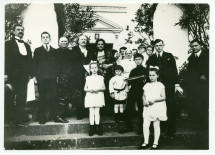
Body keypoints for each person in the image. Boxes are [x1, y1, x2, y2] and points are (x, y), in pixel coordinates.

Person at [147, 39, 183, 137]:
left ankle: (170, 128)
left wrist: (176, 84)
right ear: (154, 47)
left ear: (163, 45)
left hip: (168, 85)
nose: (158, 47)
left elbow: (174, 70)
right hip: (157, 86)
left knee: (169, 106)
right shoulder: (152, 58)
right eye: (156, 46)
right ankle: (160, 127)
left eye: (160, 45)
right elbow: (149, 72)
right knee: (158, 106)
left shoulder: (169, 56)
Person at [33, 32, 68, 124]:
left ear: (50, 39)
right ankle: (42, 117)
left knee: (54, 97)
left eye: (47, 37)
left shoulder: (54, 51)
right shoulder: (37, 50)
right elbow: (34, 64)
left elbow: (57, 64)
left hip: (52, 78)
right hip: (41, 78)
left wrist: (56, 76)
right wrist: (34, 76)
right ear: (41, 39)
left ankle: (56, 117)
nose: (45, 39)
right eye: (43, 37)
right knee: (43, 98)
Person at [5, 25, 33, 125]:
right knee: (11, 97)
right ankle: (11, 119)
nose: (20, 31)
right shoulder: (8, 44)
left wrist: (30, 74)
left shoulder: (27, 45)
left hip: (24, 77)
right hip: (12, 76)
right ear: (14, 32)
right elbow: (6, 60)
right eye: (18, 30)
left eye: (22, 30)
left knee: (22, 98)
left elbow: (30, 61)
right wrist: (5, 73)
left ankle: (20, 118)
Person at [140, 67, 167, 150]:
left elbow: (163, 97)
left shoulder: (160, 85)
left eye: (153, 75)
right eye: (150, 75)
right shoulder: (146, 85)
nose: (151, 77)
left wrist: (154, 100)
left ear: (157, 75)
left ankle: (155, 142)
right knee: (145, 125)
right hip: (148, 107)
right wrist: (144, 100)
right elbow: (144, 95)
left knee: (156, 125)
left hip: (157, 106)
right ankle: (146, 141)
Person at [186, 39, 209, 129]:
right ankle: (197, 124)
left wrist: (206, 75)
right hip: (194, 85)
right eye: (192, 46)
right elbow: (189, 71)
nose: (194, 48)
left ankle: (205, 124)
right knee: (195, 104)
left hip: (204, 84)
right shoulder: (191, 58)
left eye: (196, 46)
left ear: (200, 46)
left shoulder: (208, 55)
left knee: (203, 104)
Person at [71, 35, 94, 120]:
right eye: (82, 39)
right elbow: (72, 62)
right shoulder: (74, 50)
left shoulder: (90, 50)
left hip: (88, 75)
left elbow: (93, 61)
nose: (83, 41)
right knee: (78, 93)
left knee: (87, 93)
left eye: (85, 39)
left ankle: (86, 112)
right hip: (77, 75)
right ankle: (79, 113)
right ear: (78, 41)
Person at [123, 53, 147, 134]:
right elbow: (129, 81)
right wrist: (128, 86)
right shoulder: (133, 71)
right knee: (128, 109)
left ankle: (141, 129)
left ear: (142, 60)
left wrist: (144, 80)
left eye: (139, 59)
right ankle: (128, 127)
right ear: (134, 61)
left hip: (141, 92)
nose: (138, 61)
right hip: (133, 91)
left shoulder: (145, 70)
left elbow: (147, 82)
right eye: (136, 60)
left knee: (141, 110)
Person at [84, 61, 105, 136]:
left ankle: (97, 128)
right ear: (90, 69)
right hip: (90, 95)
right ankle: (92, 128)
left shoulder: (100, 77)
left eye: (95, 67)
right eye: (92, 68)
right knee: (91, 112)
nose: (94, 69)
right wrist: (91, 90)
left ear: (98, 68)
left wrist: (98, 89)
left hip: (98, 95)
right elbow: (85, 88)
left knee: (97, 112)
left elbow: (104, 88)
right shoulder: (88, 78)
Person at [56, 37, 73, 120]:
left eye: (65, 41)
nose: (64, 42)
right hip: (60, 77)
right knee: (61, 96)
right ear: (59, 43)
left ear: (68, 42)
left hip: (69, 77)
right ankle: (60, 115)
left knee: (67, 96)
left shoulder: (71, 52)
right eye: (62, 41)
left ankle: (64, 112)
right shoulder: (55, 52)